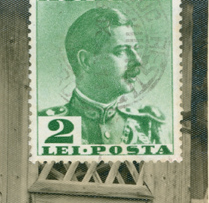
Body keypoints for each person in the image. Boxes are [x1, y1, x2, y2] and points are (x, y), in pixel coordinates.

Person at [39, 7, 165, 145]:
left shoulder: (148, 128)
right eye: (122, 51)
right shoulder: (46, 126)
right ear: (86, 61)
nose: (138, 61)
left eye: (135, 49)